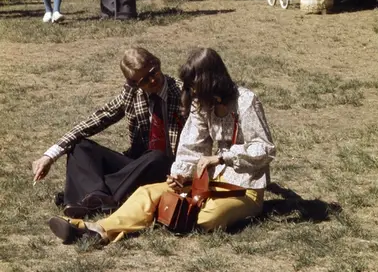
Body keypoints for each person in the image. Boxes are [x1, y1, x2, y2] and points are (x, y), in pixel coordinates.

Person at [48, 48, 275, 245]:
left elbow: (264, 148)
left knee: (207, 218)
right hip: (209, 181)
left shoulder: (246, 101)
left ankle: (155, 213)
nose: (192, 92)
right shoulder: (201, 104)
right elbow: (192, 146)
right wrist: (180, 174)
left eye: (195, 86)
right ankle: (96, 229)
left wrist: (223, 157)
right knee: (147, 192)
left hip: (246, 187)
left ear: (211, 80)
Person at [33, 47, 185, 218]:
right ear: (134, 84)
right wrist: (50, 155)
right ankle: (98, 196)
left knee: (156, 157)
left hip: (170, 170)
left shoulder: (183, 94)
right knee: (80, 145)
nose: (152, 80)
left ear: (157, 63)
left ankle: (89, 196)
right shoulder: (132, 93)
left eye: (153, 72)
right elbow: (97, 119)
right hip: (136, 166)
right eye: (144, 80)